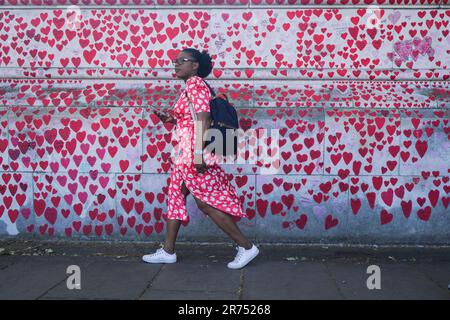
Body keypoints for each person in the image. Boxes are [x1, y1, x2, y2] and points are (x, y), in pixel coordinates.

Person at [142, 48, 259, 269]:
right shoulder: (190, 86)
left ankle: (246, 246)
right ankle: (168, 251)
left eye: (181, 61)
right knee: (176, 194)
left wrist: (197, 153)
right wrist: (170, 119)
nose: (176, 64)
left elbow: (204, 118)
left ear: (195, 66)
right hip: (185, 154)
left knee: (205, 202)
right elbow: (191, 118)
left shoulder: (195, 84)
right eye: (175, 61)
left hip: (194, 153)